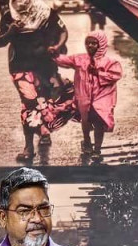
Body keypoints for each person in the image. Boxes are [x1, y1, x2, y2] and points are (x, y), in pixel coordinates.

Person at [0, 0, 76, 162]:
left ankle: (44, 130)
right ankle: (29, 147)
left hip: (44, 65)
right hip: (19, 67)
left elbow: (63, 31)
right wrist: (10, 32)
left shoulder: (44, 11)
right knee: (29, 102)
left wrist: (57, 46)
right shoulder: (9, 15)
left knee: (45, 99)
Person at [55, 31, 123, 160]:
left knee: (98, 122)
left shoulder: (110, 62)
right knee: (85, 121)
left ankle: (97, 149)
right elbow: (63, 60)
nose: (90, 45)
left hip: (101, 97)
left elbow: (116, 75)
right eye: (87, 43)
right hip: (84, 96)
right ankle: (86, 141)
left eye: (93, 43)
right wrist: (54, 53)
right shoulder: (80, 59)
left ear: (101, 44)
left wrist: (98, 73)